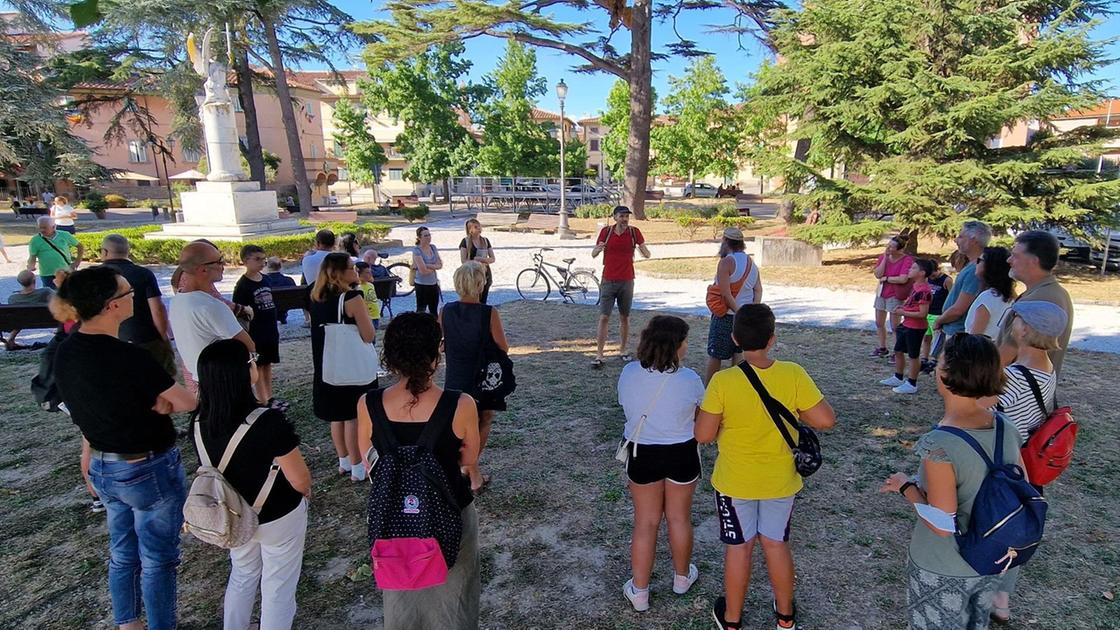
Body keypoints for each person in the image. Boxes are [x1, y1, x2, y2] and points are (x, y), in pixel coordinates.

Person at [52, 266, 197, 630]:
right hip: (146, 466)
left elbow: (90, 407)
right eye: (126, 292)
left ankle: (127, 623)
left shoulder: (67, 351)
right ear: (109, 306)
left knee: (122, 554)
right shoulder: (129, 357)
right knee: (158, 558)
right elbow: (186, 401)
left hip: (104, 465)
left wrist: (88, 455)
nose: (132, 295)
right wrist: (166, 401)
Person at [696, 304, 837, 630]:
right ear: (772, 339)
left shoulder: (722, 381)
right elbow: (826, 419)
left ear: (734, 338)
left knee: (739, 548)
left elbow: (703, 435)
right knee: (776, 544)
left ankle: (731, 620)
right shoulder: (793, 373)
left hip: (734, 483)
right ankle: (785, 617)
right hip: (780, 482)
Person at [879, 333, 1019, 630]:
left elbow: (942, 524)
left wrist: (906, 487)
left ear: (945, 375)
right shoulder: (1006, 427)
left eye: (940, 359)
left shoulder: (938, 444)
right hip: (990, 561)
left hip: (943, 568)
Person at [356, 312, 481, 630]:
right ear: (437, 351)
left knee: (400, 600)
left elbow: (369, 459)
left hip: (392, 515)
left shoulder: (368, 403)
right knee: (454, 597)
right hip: (451, 507)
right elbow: (468, 458)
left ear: (392, 355)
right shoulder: (461, 404)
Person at [191, 340, 311, 630]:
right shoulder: (268, 420)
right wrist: (306, 492)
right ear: (246, 373)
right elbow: (299, 478)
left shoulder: (199, 421)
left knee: (243, 574)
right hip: (277, 515)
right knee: (278, 586)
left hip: (233, 515)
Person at [618, 315, 705, 612]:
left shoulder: (629, 373)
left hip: (643, 452)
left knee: (646, 522)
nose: (687, 346)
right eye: (685, 341)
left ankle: (639, 591)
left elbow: (626, 407)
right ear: (676, 345)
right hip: (682, 452)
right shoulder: (690, 379)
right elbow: (698, 416)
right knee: (679, 518)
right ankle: (682, 578)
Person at [989, 300, 1067, 623]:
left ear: (1024, 329)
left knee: (992, 529)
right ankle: (1002, 602)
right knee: (1016, 533)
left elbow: (985, 411)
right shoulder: (1047, 366)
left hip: (1007, 465)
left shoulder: (1017, 377)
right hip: (1029, 470)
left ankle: (980, 593)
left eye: (1016, 320)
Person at [438, 261, 510, 494]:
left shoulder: (445, 311)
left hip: (455, 377)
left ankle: (471, 471)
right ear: (479, 284)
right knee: (483, 420)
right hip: (482, 378)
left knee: (463, 425)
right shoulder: (488, 313)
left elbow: (440, 344)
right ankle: (471, 471)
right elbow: (503, 347)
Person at [309, 253, 377, 481]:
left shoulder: (317, 296)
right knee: (353, 417)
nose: (355, 271)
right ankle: (359, 467)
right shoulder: (352, 298)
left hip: (327, 364)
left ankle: (344, 461)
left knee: (337, 417)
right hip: (351, 368)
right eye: (351, 268)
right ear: (338, 272)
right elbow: (368, 335)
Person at [169, 241, 256, 393]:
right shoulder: (211, 306)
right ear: (202, 270)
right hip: (226, 382)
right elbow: (248, 345)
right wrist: (252, 365)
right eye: (219, 261)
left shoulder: (177, 301)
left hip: (200, 381)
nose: (223, 265)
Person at [999, 230, 1074, 375]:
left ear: (1034, 261)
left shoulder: (1037, 301)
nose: (1009, 260)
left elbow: (1005, 357)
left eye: (1015, 256)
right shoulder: (1054, 292)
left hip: (1017, 393)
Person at [99, 234, 175, 377]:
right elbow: (157, 309)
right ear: (128, 251)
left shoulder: (92, 275)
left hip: (106, 341)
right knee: (159, 382)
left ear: (104, 252)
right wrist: (163, 337)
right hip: (145, 338)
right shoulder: (143, 274)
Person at [591, 206, 650, 368]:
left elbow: (647, 253)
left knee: (625, 317)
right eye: (622, 216)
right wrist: (598, 248)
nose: (625, 219)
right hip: (608, 279)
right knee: (604, 317)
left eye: (627, 216)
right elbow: (594, 254)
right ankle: (599, 354)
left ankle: (623, 350)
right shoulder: (606, 232)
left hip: (627, 280)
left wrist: (643, 250)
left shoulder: (634, 232)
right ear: (615, 217)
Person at [705, 227, 762, 384]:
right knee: (739, 353)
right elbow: (758, 290)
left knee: (716, 354)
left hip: (725, 315)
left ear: (725, 241)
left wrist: (738, 312)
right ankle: (734, 388)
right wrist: (749, 312)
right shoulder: (751, 263)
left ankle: (709, 390)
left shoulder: (726, 262)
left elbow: (726, 293)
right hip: (744, 317)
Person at [234, 244, 284, 409]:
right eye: (257, 259)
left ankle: (269, 397)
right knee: (259, 365)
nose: (261, 262)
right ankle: (262, 399)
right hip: (256, 331)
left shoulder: (266, 279)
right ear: (245, 261)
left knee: (268, 364)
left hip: (270, 328)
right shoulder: (242, 285)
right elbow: (239, 311)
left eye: (263, 259)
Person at [932, 220, 992, 347]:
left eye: (960, 236)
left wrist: (939, 320)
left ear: (973, 240)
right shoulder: (971, 265)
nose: (956, 240)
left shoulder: (975, 271)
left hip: (958, 333)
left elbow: (959, 309)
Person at [881, 259, 935, 394]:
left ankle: (912, 383)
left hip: (916, 327)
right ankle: (898, 377)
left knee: (913, 355)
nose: (909, 270)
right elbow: (912, 305)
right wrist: (904, 307)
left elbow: (923, 313)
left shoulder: (924, 291)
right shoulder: (915, 286)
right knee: (898, 351)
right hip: (906, 324)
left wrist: (903, 312)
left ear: (922, 273)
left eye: (913, 268)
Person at [870, 236, 914, 357]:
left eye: (891, 247)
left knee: (895, 326)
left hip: (896, 295)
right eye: (888, 245)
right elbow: (878, 274)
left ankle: (897, 352)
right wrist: (885, 258)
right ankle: (882, 347)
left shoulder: (907, 260)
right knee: (879, 322)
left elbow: (903, 278)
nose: (888, 248)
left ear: (899, 249)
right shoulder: (883, 257)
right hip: (881, 293)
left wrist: (888, 279)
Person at [965, 246, 1015, 339]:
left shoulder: (988, 297)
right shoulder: (1010, 297)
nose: (976, 263)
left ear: (991, 265)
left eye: (980, 260)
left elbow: (975, 336)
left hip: (979, 350)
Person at [27, 216, 83, 289]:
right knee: (50, 295)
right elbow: (32, 256)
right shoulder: (35, 240)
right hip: (47, 274)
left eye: (45, 228)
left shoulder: (64, 235)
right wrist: (31, 266)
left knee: (69, 294)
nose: (42, 230)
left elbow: (80, 246)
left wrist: (77, 261)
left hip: (65, 271)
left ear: (54, 227)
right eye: (40, 227)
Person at [5, 270, 54, 350]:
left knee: (20, 317)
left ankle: (11, 338)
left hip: (22, 321)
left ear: (19, 282)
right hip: (46, 320)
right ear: (34, 280)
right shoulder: (46, 292)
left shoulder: (13, 298)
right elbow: (59, 301)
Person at [920, 263, 953, 373]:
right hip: (927, 312)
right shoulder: (927, 279)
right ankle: (924, 359)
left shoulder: (946, 280)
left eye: (933, 274)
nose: (931, 277)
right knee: (926, 337)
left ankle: (934, 360)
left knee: (937, 339)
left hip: (938, 313)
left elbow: (952, 296)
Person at [459, 219, 496, 304]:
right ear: (470, 230)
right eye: (475, 227)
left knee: (484, 297)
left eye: (479, 225)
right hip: (472, 273)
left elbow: (492, 258)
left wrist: (481, 260)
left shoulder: (485, 241)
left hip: (485, 272)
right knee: (473, 298)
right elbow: (463, 260)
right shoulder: (465, 242)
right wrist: (474, 262)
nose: (479, 228)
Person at [412, 226, 443, 315]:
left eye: (429, 235)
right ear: (419, 237)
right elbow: (423, 271)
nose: (428, 237)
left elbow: (440, 264)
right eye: (425, 236)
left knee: (434, 310)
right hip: (422, 284)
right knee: (421, 310)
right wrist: (434, 267)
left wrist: (428, 265)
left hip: (433, 283)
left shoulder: (433, 247)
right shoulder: (417, 250)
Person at [264, 257, 297, 325]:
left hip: (269, 306)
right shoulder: (289, 280)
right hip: (286, 305)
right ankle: (282, 316)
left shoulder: (263, 281)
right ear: (280, 266)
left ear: (268, 267)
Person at [355, 261, 381, 329]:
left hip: (376, 315)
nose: (370, 274)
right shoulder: (358, 288)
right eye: (367, 272)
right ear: (358, 274)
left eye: (370, 272)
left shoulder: (370, 285)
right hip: (367, 318)